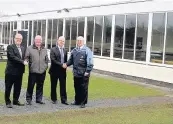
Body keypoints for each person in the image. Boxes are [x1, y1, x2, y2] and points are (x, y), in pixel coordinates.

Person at [64, 36, 94, 108]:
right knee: (76, 87)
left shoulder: (87, 50)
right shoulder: (74, 50)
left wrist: (87, 71)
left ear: (83, 42)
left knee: (84, 88)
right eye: (78, 41)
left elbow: (90, 62)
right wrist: (66, 64)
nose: (79, 42)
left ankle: (83, 102)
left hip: (84, 73)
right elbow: (71, 60)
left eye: (80, 41)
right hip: (76, 72)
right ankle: (77, 101)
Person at [5, 33, 27, 108]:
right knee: (8, 87)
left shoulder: (23, 48)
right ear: (14, 39)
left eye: (20, 39)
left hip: (19, 72)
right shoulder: (10, 47)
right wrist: (22, 61)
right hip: (11, 72)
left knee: (18, 87)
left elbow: (24, 57)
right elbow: (12, 57)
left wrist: (26, 59)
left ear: (21, 40)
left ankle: (15, 100)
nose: (19, 40)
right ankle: (8, 102)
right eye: (17, 38)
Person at [25, 35, 48, 105]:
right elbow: (26, 57)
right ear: (34, 40)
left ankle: (39, 99)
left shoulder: (45, 49)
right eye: (37, 40)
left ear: (41, 41)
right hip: (33, 71)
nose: (38, 41)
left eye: (39, 40)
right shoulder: (29, 48)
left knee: (40, 86)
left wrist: (45, 67)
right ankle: (29, 99)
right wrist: (26, 61)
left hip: (42, 71)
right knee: (30, 86)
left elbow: (47, 59)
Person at [49, 36, 68, 105]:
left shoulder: (65, 50)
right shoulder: (53, 49)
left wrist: (66, 65)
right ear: (57, 41)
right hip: (54, 71)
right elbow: (53, 60)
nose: (61, 42)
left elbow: (65, 60)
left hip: (62, 71)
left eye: (63, 41)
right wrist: (61, 65)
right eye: (60, 40)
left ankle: (64, 100)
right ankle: (54, 99)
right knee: (53, 85)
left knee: (63, 86)